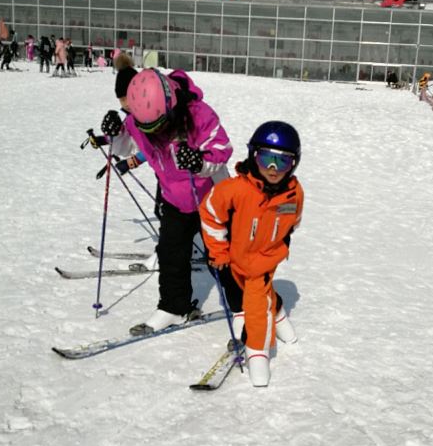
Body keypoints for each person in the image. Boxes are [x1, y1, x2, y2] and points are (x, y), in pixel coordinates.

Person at [104, 67, 232, 332]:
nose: (155, 134)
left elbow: (222, 149)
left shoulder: (199, 114)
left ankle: (243, 305)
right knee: (171, 252)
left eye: (160, 127)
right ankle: (174, 307)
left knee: (220, 257)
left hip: (210, 198)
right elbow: (126, 147)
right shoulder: (140, 119)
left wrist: (199, 162)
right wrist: (115, 133)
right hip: (174, 198)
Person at [199, 121, 304, 387]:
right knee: (249, 292)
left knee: (255, 304)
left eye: (282, 162)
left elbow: (293, 218)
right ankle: (278, 313)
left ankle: (257, 351)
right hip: (235, 258)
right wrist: (219, 252)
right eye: (265, 158)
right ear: (252, 155)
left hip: (264, 261)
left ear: (294, 164)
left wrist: (280, 242)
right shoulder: (236, 189)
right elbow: (210, 212)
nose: (272, 169)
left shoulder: (293, 193)